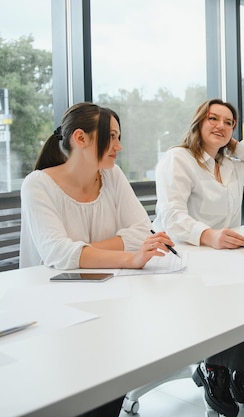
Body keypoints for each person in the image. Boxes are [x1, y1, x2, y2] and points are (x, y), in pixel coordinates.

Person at [19, 102, 176, 416]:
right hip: (54, 309)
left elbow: (140, 230)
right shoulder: (37, 184)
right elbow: (57, 253)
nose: (119, 146)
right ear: (81, 138)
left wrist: (81, 252)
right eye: (112, 137)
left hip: (108, 299)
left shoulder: (112, 175)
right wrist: (127, 259)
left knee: (109, 388)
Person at [153, 98, 244, 417]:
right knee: (231, 294)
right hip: (185, 254)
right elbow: (171, 215)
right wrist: (209, 235)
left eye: (228, 122)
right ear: (198, 122)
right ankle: (215, 370)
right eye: (213, 118)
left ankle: (240, 364)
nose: (221, 126)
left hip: (223, 254)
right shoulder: (179, 158)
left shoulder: (231, 165)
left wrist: (235, 146)